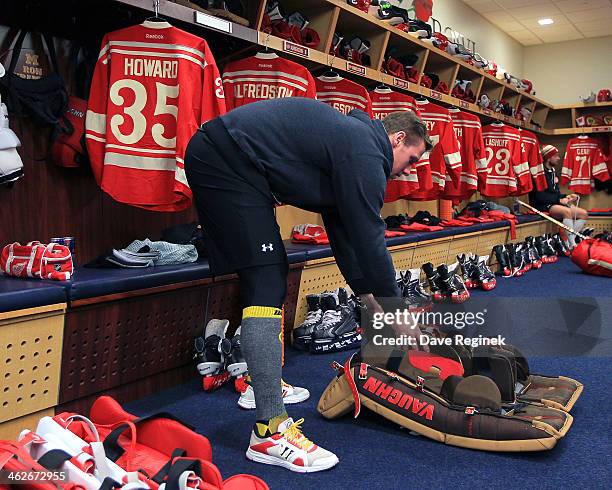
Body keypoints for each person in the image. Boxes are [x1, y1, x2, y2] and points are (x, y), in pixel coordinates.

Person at [184, 97, 431, 473]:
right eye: (411, 160)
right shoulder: (366, 151)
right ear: (397, 139)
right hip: (225, 159)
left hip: (230, 160)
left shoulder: (355, 145)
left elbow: (344, 233)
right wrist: (395, 309)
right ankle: (270, 431)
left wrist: (367, 296)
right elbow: (369, 236)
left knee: (265, 275)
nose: (407, 172)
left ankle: (259, 380)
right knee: (267, 276)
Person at [530, 144, 590, 249]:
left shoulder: (552, 171)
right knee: (567, 212)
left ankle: (570, 239)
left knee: (583, 213)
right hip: (541, 205)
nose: (558, 158)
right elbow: (540, 196)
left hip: (553, 203)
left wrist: (567, 196)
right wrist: (559, 199)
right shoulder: (539, 173)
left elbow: (555, 193)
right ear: (548, 158)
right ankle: (572, 245)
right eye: (556, 156)